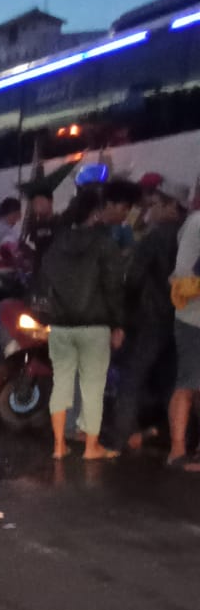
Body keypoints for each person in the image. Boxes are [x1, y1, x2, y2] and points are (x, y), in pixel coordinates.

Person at [40, 185, 125, 461]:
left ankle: (58, 445)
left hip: (62, 325)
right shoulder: (104, 243)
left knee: (61, 382)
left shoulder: (58, 241)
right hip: (95, 325)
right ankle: (91, 447)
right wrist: (118, 323)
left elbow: (46, 279)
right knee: (92, 386)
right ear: (96, 213)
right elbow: (113, 286)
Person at [113, 181, 187, 453]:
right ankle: (176, 437)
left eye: (157, 203)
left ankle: (124, 435)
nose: (151, 208)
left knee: (132, 376)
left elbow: (133, 278)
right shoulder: (188, 234)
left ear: (171, 207)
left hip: (150, 316)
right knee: (171, 379)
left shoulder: (156, 236)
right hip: (179, 319)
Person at [166, 195, 200, 470]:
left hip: (190, 317)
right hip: (193, 319)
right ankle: (177, 452)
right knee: (188, 383)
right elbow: (183, 275)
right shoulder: (197, 223)